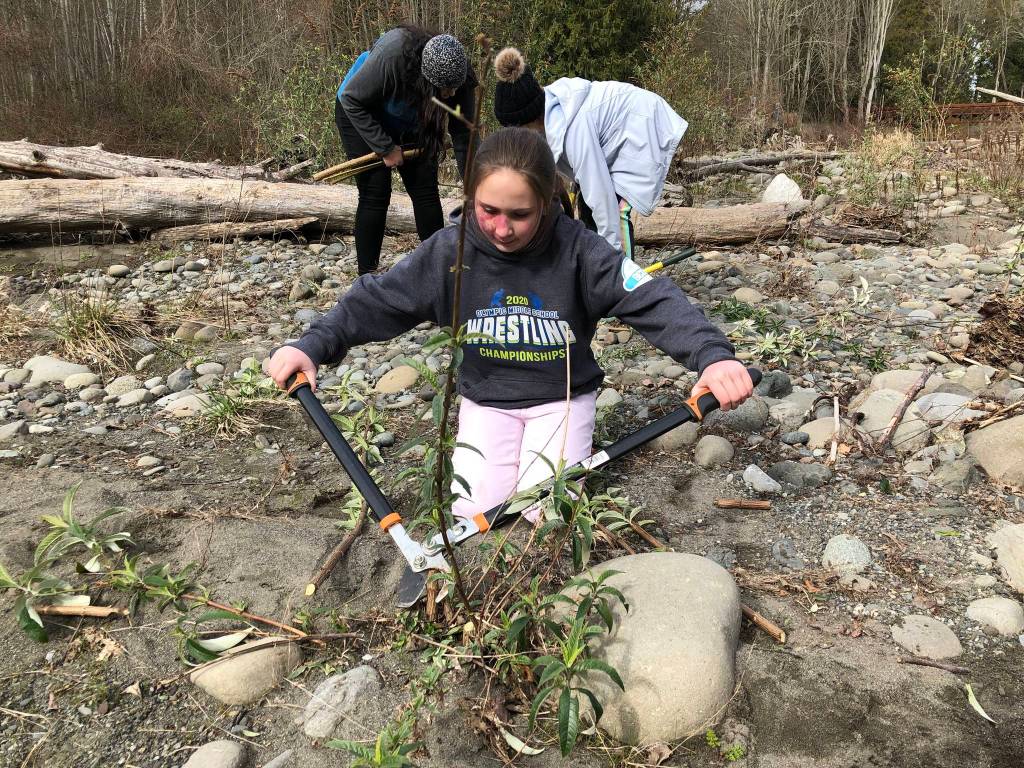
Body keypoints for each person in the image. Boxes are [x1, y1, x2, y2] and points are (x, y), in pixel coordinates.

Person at [266, 127, 752, 523]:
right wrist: (313, 345)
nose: (501, 228)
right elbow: (378, 299)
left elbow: (651, 296)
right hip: (486, 399)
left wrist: (713, 357)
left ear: (546, 201)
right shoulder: (448, 252)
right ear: (472, 196)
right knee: (475, 518)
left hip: (560, 401)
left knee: (548, 514)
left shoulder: (580, 250)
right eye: (489, 210)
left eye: (520, 214)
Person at [492, 47, 686, 259]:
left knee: (616, 210)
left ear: (529, 119)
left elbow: (600, 195)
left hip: (642, 128)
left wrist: (611, 256)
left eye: (517, 129)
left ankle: (621, 277)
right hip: (617, 131)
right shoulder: (545, 109)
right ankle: (591, 269)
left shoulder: (576, 129)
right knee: (587, 206)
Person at [336, 26, 477, 275]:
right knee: (376, 193)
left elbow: (464, 136)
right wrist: (386, 148)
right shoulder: (393, 55)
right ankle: (366, 279)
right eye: (446, 90)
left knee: (425, 191)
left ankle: (440, 275)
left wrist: (475, 188)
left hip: (412, 118)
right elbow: (351, 99)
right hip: (361, 111)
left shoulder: (459, 74)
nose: (452, 94)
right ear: (428, 79)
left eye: (455, 88)